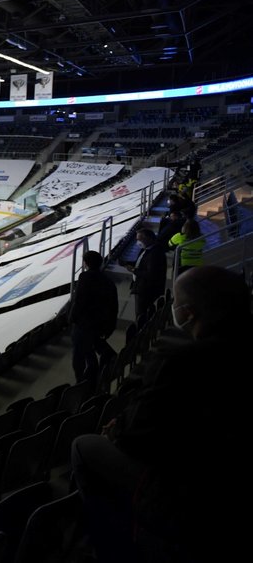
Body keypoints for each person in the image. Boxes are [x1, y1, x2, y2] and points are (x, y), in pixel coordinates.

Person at [72, 267, 250, 563]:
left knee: (83, 446)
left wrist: (117, 430)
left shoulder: (181, 362)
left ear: (189, 313)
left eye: (177, 305)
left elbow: (135, 439)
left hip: (188, 500)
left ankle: (112, 545)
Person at [68, 251, 118, 384]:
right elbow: (114, 306)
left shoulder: (85, 277)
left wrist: (72, 318)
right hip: (99, 325)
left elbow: (80, 301)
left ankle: (80, 382)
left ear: (86, 263)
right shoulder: (108, 281)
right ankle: (94, 374)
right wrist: (110, 327)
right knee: (90, 349)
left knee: (79, 355)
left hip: (84, 324)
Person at [130, 228, 166, 329]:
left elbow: (151, 274)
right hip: (142, 287)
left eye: (140, 239)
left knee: (141, 315)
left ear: (148, 238)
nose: (138, 242)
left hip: (145, 290)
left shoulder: (155, 253)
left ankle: (140, 335)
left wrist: (134, 270)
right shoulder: (147, 250)